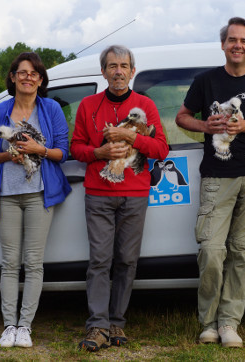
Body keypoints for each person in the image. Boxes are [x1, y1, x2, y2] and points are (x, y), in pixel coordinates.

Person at [175, 17, 245, 348]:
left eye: (244, 40)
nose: (238, 45)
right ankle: (207, 322)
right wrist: (205, 127)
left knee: (243, 251)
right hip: (216, 176)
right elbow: (181, 117)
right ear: (223, 45)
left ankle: (229, 323)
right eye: (232, 40)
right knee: (210, 250)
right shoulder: (206, 81)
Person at [70, 45, 169, 352]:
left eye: (123, 66)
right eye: (112, 66)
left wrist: (131, 137)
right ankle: (97, 326)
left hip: (135, 194)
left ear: (132, 71)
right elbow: (76, 148)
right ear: (103, 72)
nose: (118, 71)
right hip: (98, 195)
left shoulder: (145, 105)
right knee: (99, 261)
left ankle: (117, 323)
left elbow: (161, 149)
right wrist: (98, 152)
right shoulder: (88, 105)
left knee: (126, 261)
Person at [0, 52, 72, 348]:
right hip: (6, 195)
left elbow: (62, 152)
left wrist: (36, 149)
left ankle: (25, 327)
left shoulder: (51, 109)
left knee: (33, 263)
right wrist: (9, 155)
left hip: (39, 196)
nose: (28, 77)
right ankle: (8, 326)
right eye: (22, 72)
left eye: (34, 73)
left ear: (41, 80)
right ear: (13, 77)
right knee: (9, 263)